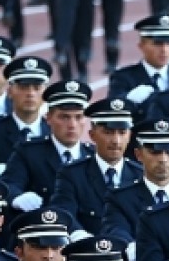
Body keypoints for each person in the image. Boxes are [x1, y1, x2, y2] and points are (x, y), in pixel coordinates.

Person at [1, 80, 96, 212]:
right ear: (48, 118)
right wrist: (17, 198)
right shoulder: (29, 152)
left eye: (78, 117)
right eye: (64, 117)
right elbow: (10, 184)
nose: (72, 125)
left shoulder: (94, 156)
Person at [52, 98, 142, 236]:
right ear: (92, 135)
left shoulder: (140, 174)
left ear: (130, 136)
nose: (116, 140)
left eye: (122, 132)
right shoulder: (72, 174)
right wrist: (77, 234)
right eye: (108, 132)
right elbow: (63, 211)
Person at [100, 117, 169, 247]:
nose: (163, 159)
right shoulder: (121, 198)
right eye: (155, 152)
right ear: (138, 154)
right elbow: (117, 231)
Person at [0, 56, 53, 172]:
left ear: (45, 94)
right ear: (9, 92)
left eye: (37, 87)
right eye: (23, 87)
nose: (30, 93)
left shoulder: (54, 132)